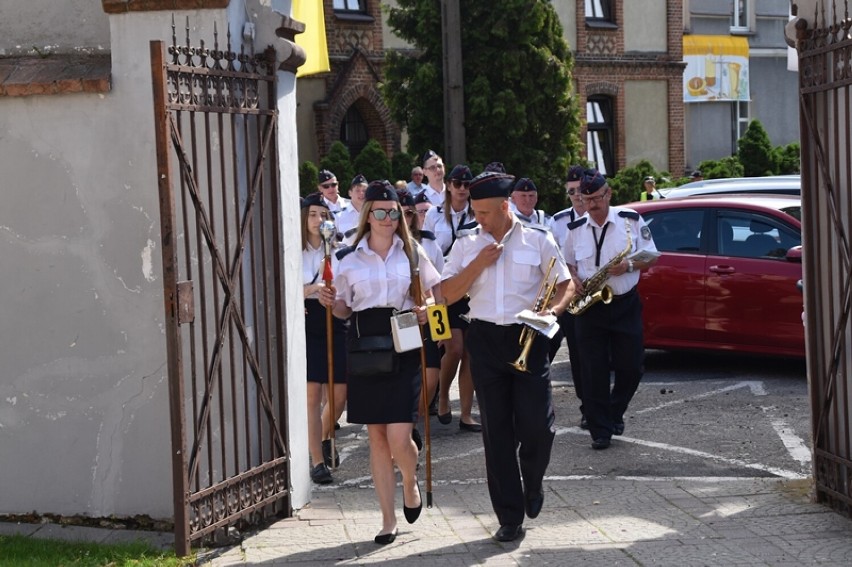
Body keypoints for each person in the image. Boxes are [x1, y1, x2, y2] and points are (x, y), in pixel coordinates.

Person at [441, 171, 573, 542]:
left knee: (538, 428)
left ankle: (532, 482)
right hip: (484, 339)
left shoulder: (538, 238)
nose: (477, 218)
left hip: (528, 336)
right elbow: (445, 294)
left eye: (483, 212)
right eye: (474, 211)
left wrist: (555, 311)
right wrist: (477, 264)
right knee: (496, 433)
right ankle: (509, 515)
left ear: (504, 206)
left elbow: (565, 284)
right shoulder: (467, 243)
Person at [319, 180, 441, 545]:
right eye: (380, 212)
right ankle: (388, 519)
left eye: (392, 212)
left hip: (403, 341)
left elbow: (434, 298)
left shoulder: (414, 254)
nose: (387, 219)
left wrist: (426, 313)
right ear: (367, 215)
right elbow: (343, 308)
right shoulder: (348, 258)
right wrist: (329, 301)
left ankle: (409, 476)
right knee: (377, 438)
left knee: (399, 435)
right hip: (364, 346)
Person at [562, 170, 659, 451]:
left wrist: (628, 266)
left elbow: (651, 255)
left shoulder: (630, 221)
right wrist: (575, 279)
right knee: (593, 371)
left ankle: (614, 412)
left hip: (624, 302)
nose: (591, 205)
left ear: (609, 194)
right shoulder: (575, 228)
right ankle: (600, 430)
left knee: (631, 367)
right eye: (586, 199)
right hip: (590, 308)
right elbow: (566, 262)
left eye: (596, 198)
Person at [423, 164, 481, 433]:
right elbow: (427, 253)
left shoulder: (477, 214)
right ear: (448, 185)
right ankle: (444, 394)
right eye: (457, 183)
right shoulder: (434, 215)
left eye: (466, 184)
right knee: (452, 346)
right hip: (443, 288)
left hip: (471, 285)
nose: (461, 189)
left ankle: (466, 413)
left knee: (471, 350)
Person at [300, 193, 348, 485]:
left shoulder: (337, 248)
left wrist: (331, 294)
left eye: (323, 215)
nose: (318, 220)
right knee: (312, 395)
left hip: (334, 318)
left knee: (340, 394)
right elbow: (285, 286)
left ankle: (327, 434)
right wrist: (314, 288)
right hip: (308, 321)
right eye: (313, 214)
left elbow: (345, 287)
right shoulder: (296, 250)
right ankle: (317, 460)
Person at [398, 189, 444, 432]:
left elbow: (437, 286)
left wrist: (440, 326)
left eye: (409, 213)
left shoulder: (427, 242)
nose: (405, 218)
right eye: (401, 213)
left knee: (432, 374)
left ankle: (414, 418)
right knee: (406, 375)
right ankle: (408, 425)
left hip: (427, 315)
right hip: (404, 319)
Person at [549, 165, 588, 428]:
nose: (577, 195)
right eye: (572, 191)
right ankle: (587, 405)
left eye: (581, 190)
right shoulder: (559, 221)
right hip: (573, 297)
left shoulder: (603, 216)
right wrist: (571, 278)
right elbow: (552, 258)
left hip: (599, 294)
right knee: (578, 354)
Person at [336, 174, 368, 244]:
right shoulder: (338, 216)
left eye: (364, 191)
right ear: (350, 193)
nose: (361, 193)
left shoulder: (372, 214)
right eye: (357, 190)